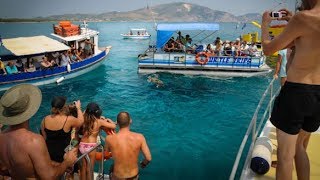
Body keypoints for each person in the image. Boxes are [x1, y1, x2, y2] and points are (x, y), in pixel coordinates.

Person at [261, 1, 320, 179]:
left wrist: (265, 24)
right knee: (300, 148)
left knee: (285, 157)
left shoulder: (303, 18)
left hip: (297, 92)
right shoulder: (302, 20)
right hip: (318, 95)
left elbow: (268, 49)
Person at [0, 84, 77, 179]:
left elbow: (4, 169)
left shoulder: (2, 137)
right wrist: (66, 163)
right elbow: (49, 177)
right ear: (29, 111)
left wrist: (57, 165)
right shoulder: (34, 141)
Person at [105, 112, 152, 180]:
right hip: (133, 177)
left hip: (118, 177)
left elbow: (106, 154)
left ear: (117, 123)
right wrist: (143, 164)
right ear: (130, 121)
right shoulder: (140, 137)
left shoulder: (109, 138)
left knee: (112, 167)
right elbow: (148, 158)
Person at [40, 96, 84, 163]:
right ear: (64, 107)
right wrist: (78, 108)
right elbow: (81, 121)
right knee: (75, 141)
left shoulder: (45, 119)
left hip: (50, 153)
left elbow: (45, 138)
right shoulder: (68, 119)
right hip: (63, 154)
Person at [80, 102, 116, 180]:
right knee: (90, 169)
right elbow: (113, 126)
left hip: (82, 145)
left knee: (83, 168)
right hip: (91, 147)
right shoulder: (99, 122)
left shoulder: (83, 119)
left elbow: (83, 114)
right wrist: (108, 120)